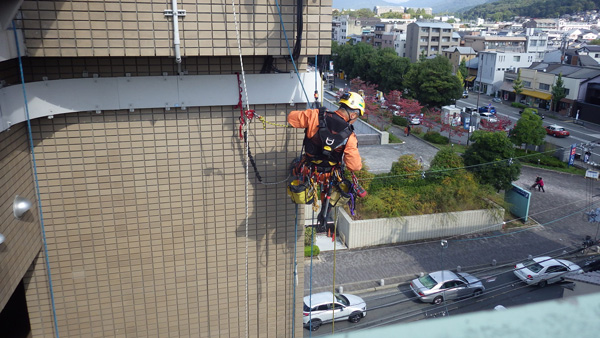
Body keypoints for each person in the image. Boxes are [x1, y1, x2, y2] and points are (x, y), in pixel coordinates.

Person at [288, 91, 365, 229]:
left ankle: (303, 191)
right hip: (329, 176)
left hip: (309, 169)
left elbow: (291, 119)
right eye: (356, 117)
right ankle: (325, 212)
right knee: (332, 190)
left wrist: (311, 119)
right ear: (353, 115)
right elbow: (354, 166)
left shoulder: (315, 116)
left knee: (296, 166)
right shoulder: (350, 136)